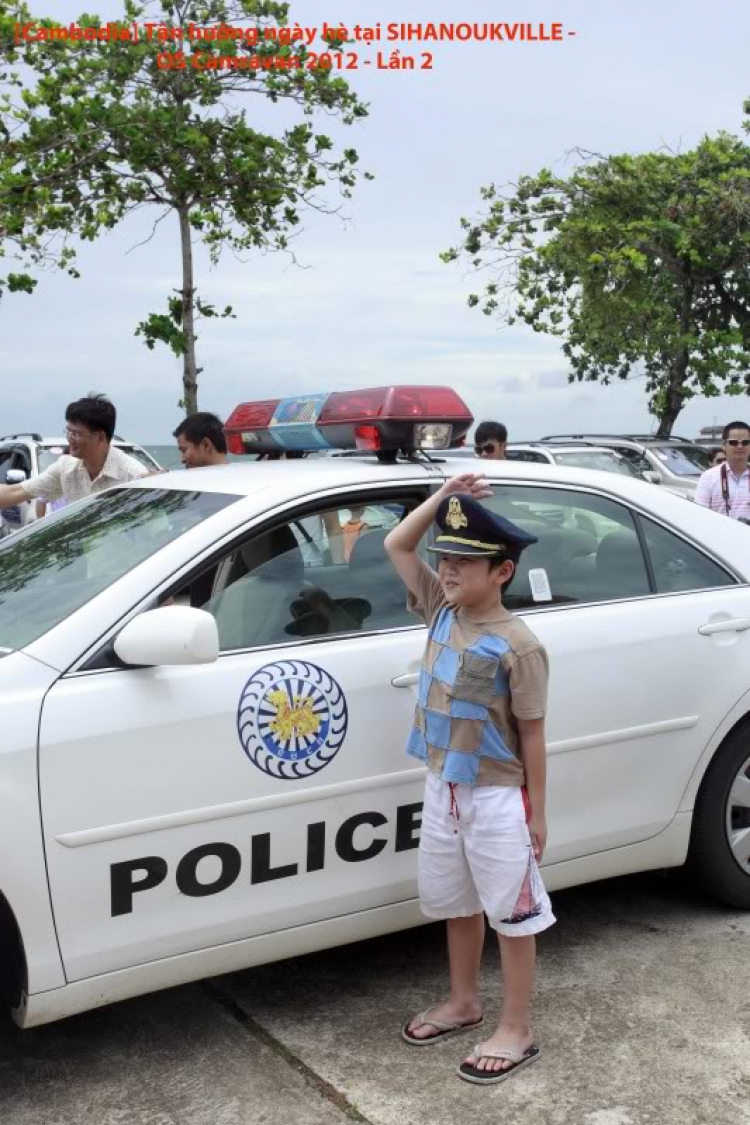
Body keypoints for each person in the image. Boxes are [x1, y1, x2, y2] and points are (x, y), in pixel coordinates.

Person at [385, 474, 554, 1085]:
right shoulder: (440, 608)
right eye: (446, 558)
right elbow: (398, 546)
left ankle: (516, 1026)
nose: (449, 569)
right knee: (456, 903)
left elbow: (531, 734)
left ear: (502, 572)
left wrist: (537, 814)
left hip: (497, 795)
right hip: (444, 787)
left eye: (464, 561)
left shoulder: (519, 645)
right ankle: (463, 1001)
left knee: (512, 912)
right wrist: (445, 494)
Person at [0, 394, 146, 512]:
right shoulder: (66, 467)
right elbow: (16, 492)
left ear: (100, 437)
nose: (69, 439)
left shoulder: (133, 475)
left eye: (75, 434)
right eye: (68, 432)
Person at [695, 421, 750, 521]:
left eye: (745, 442)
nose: (740, 446)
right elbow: (699, 516)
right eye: (734, 442)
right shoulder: (708, 477)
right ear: (723, 445)